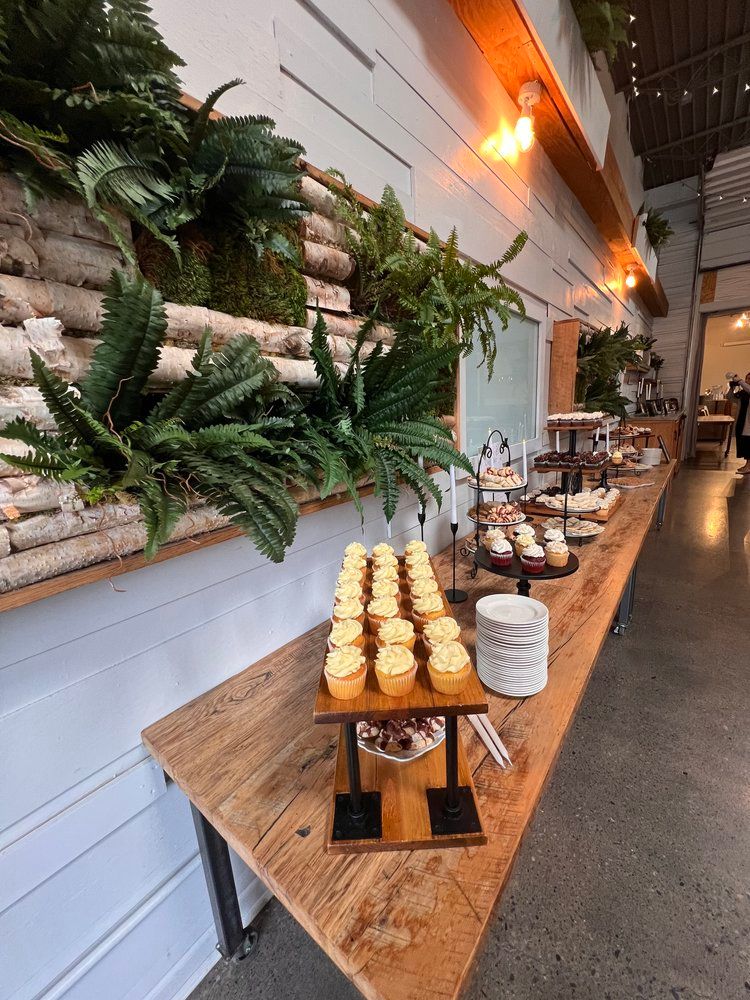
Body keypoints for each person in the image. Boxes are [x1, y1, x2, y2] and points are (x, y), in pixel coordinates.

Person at [728, 372, 750, 474]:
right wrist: (731, 387)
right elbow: (730, 398)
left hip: (749, 423)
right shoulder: (743, 392)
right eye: (747, 379)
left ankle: (748, 466)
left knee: (748, 444)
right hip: (742, 421)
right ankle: (747, 465)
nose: (748, 381)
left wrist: (739, 381)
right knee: (745, 443)